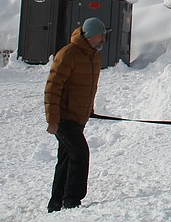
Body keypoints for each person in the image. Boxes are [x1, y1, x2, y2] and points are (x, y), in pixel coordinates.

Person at [44, 17, 105, 213]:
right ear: (89, 36)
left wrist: (89, 110)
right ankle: (72, 200)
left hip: (79, 117)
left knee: (66, 159)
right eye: (100, 36)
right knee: (80, 153)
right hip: (64, 117)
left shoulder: (93, 56)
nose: (102, 39)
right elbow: (53, 88)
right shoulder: (68, 54)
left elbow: (86, 88)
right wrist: (53, 120)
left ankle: (56, 203)